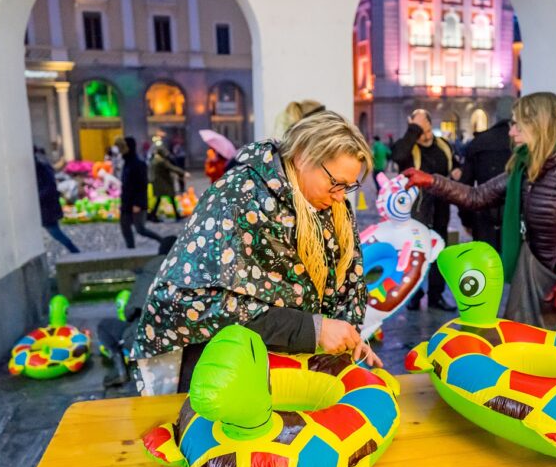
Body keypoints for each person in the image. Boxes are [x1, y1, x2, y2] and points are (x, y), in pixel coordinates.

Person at [132, 111, 381, 395]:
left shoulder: (332, 205)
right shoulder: (237, 197)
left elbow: (346, 280)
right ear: (301, 156)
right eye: (336, 183)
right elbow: (200, 303)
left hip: (292, 364)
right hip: (223, 370)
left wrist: (347, 335)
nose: (341, 196)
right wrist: (315, 329)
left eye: (350, 186)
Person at [403, 92, 556, 337]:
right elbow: (479, 196)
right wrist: (432, 181)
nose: (511, 132)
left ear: (539, 125)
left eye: (518, 125)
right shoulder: (529, 166)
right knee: (527, 353)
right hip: (536, 277)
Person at [392, 109, 459, 312]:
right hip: (416, 209)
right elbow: (398, 155)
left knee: (439, 250)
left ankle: (436, 296)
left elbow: (454, 166)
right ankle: (413, 295)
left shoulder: (443, 146)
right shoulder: (408, 148)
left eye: (427, 129)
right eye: (420, 131)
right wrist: (414, 129)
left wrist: (457, 171)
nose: (426, 136)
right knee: (415, 252)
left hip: (440, 207)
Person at [98, 235, 178, 388]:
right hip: (177, 341)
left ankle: (121, 370)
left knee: (104, 326)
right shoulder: (188, 271)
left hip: (142, 340)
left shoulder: (149, 269)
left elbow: (129, 311)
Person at [458, 117, 512, 251]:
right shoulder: (522, 144)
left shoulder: (478, 142)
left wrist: (467, 220)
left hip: (484, 217)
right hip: (513, 218)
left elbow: (465, 185)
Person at [118, 136, 163, 249]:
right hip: (126, 202)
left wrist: (138, 203)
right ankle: (131, 250)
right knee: (125, 227)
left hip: (136, 203)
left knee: (140, 229)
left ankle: (163, 241)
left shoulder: (138, 164)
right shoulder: (126, 163)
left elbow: (142, 185)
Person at [33, 146, 80, 254]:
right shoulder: (42, 165)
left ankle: (76, 252)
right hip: (48, 205)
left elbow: (50, 187)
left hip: (47, 206)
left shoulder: (41, 166)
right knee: (54, 231)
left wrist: (37, 198)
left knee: (55, 231)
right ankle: (76, 252)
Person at [148, 142, 189, 222]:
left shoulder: (155, 160)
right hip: (163, 183)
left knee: (160, 198)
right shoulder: (161, 161)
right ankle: (154, 215)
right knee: (170, 196)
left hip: (159, 182)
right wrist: (183, 173)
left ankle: (153, 215)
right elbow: (171, 167)